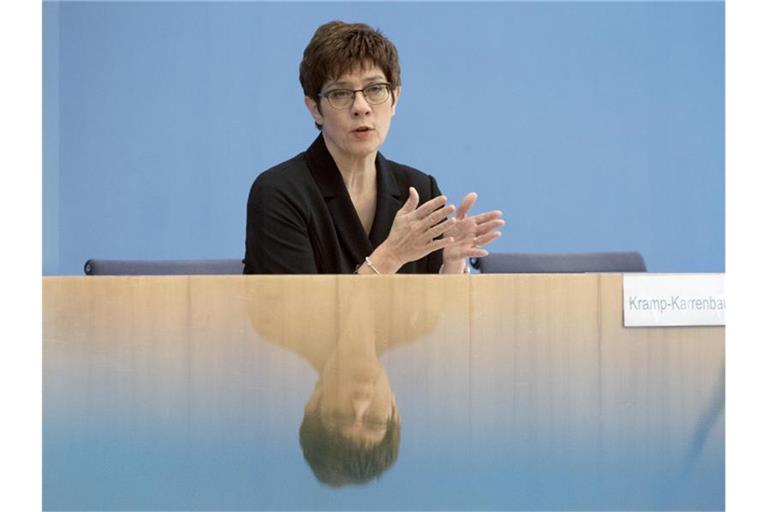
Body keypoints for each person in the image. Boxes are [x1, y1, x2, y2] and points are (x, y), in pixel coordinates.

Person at [243, 20, 503, 274]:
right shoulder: (279, 193)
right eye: (340, 94)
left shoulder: (418, 190)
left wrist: (452, 265)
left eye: (375, 89)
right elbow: (296, 316)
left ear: (394, 99)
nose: (361, 107)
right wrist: (391, 256)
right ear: (315, 109)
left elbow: (435, 316)